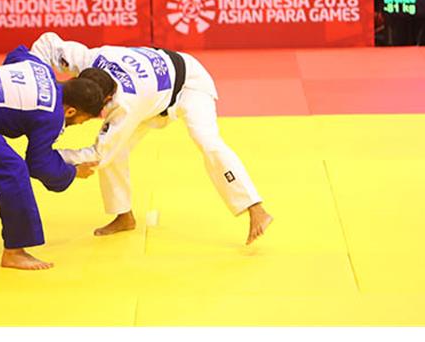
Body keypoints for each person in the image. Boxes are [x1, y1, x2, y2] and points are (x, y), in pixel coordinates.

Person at [30, 32, 274, 244]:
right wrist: (34, 74)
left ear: (106, 100)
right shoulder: (87, 59)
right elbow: (48, 42)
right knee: (118, 151)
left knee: (207, 141)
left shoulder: (125, 104)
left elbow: (99, 155)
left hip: (188, 83)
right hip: (153, 90)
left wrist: (50, 158)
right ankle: (123, 215)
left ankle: (255, 208)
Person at [0, 46, 105, 270]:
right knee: (12, 169)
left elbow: (17, 52)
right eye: (84, 119)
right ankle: (15, 251)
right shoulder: (51, 114)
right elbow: (38, 164)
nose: (80, 124)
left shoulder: (40, 68)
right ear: (71, 110)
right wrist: (73, 172)